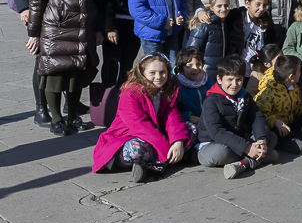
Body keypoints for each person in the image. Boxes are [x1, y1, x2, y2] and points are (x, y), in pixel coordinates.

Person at [26, 0, 101, 135]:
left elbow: (94, 2)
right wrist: (34, 34)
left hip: (82, 31)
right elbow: (36, 4)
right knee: (55, 74)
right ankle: (57, 119)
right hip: (56, 31)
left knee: (77, 75)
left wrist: (98, 30)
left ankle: (72, 117)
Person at [92, 54, 195, 182]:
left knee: (191, 128)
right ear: (142, 73)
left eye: (163, 72)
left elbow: (173, 117)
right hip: (128, 136)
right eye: (152, 72)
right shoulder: (129, 92)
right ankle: (166, 160)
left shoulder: (168, 90)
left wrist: (178, 141)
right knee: (137, 150)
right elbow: (141, 126)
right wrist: (167, 148)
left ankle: (153, 165)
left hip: (157, 135)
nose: (158, 77)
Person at [197, 55, 279, 179]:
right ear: (219, 79)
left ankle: (245, 163)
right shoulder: (211, 101)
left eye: (239, 79)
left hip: (237, 139)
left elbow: (257, 118)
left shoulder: (245, 96)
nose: (234, 84)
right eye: (229, 79)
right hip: (213, 145)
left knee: (271, 137)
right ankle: (261, 156)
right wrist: (246, 147)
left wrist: (262, 140)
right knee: (221, 153)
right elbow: (217, 132)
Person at [254, 55, 302, 153]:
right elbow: (258, 118)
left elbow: (297, 109)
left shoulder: (293, 87)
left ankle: (300, 137)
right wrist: (276, 121)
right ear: (291, 76)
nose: (301, 74)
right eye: (299, 71)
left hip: (291, 122)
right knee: (274, 134)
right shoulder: (267, 93)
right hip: (279, 128)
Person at [186, 0, 245, 81]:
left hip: (222, 73)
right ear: (211, 8)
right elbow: (190, 51)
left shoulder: (228, 23)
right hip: (205, 74)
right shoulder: (204, 24)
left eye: (226, 5)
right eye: (219, 6)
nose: (223, 9)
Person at [240, 0, 275, 76]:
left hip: (258, 72)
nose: (261, 8)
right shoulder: (238, 18)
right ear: (247, 3)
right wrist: (199, 12)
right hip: (239, 71)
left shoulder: (267, 25)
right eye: (258, 4)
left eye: (265, 5)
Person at [173, 47, 211, 124]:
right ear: (181, 69)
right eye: (189, 66)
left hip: (208, 120)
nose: (195, 68)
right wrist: (188, 116)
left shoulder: (210, 83)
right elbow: (172, 111)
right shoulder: (177, 87)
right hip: (188, 122)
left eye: (198, 64)